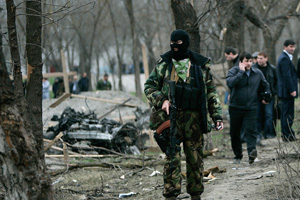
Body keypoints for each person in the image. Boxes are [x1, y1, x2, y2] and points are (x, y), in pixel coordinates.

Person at [144, 29, 223, 200]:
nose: (175, 46)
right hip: (170, 117)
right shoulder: (164, 63)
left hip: (194, 117)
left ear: (186, 43)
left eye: (179, 43)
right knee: (172, 156)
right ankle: (171, 194)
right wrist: (162, 100)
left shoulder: (200, 64)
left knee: (195, 157)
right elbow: (149, 86)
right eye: (172, 43)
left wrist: (217, 116)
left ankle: (196, 194)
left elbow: (211, 92)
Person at [226, 52, 270, 164]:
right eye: (246, 61)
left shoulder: (257, 73)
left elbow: (265, 85)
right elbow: (230, 83)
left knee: (251, 130)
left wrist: (265, 95)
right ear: (240, 62)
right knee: (235, 132)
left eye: (250, 61)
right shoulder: (233, 71)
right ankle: (237, 155)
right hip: (235, 107)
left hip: (251, 107)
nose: (249, 63)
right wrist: (241, 72)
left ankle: (252, 154)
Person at [277, 39, 297, 142]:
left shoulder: (286, 57)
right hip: (287, 91)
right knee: (287, 114)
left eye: (294, 46)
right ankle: (287, 135)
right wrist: (292, 89)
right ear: (285, 47)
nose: (292, 48)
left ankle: (288, 134)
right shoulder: (284, 58)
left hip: (285, 91)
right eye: (290, 46)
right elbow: (287, 76)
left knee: (287, 113)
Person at [253, 52, 277, 141]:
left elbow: (276, 82)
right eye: (258, 58)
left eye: (261, 58)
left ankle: (268, 133)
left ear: (266, 58)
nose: (259, 60)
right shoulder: (254, 69)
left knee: (269, 115)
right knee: (257, 116)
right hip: (257, 97)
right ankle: (258, 134)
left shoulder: (272, 69)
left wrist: (273, 93)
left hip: (270, 96)